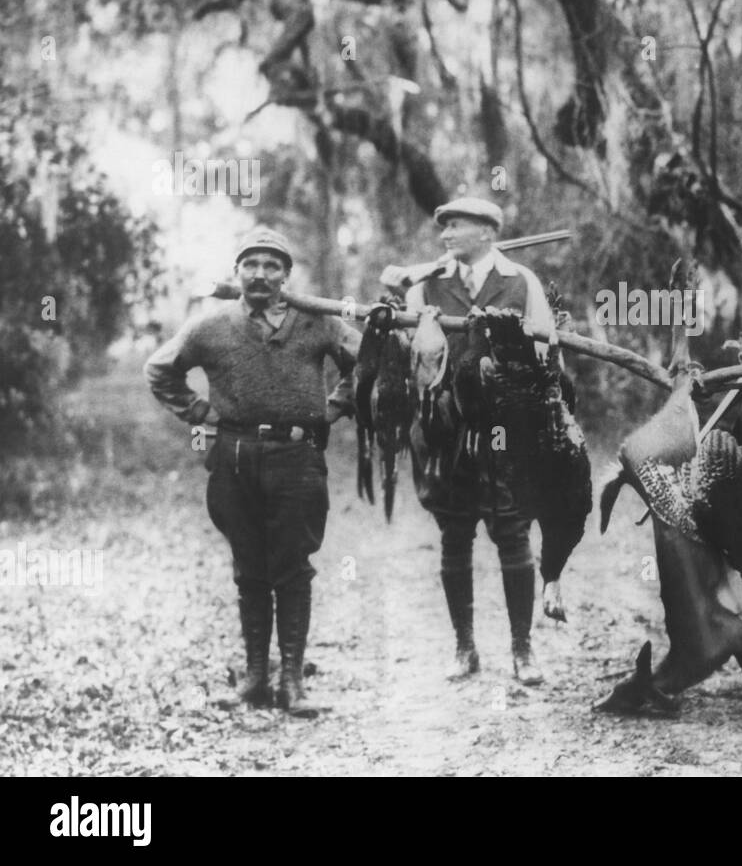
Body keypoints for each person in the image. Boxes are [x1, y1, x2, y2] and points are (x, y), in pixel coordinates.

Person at [146, 227, 359, 718]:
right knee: (249, 568)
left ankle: (293, 683)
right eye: (251, 265)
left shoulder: (317, 322)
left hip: (298, 457)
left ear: (287, 275)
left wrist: (337, 405)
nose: (261, 274)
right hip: (235, 455)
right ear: (237, 272)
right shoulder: (213, 325)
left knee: (294, 566)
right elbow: (159, 369)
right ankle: (255, 679)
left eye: (271, 265)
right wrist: (199, 411)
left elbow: (364, 360)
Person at [381, 197, 556, 686]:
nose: (445, 235)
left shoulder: (521, 281)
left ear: (486, 230)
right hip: (444, 431)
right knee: (454, 535)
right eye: (444, 227)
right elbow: (402, 351)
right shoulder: (429, 281)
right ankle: (465, 647)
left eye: (455, 225)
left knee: (513, 534)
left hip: (506, 431)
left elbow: (548, 352)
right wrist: (398, 297)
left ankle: (522, 649)